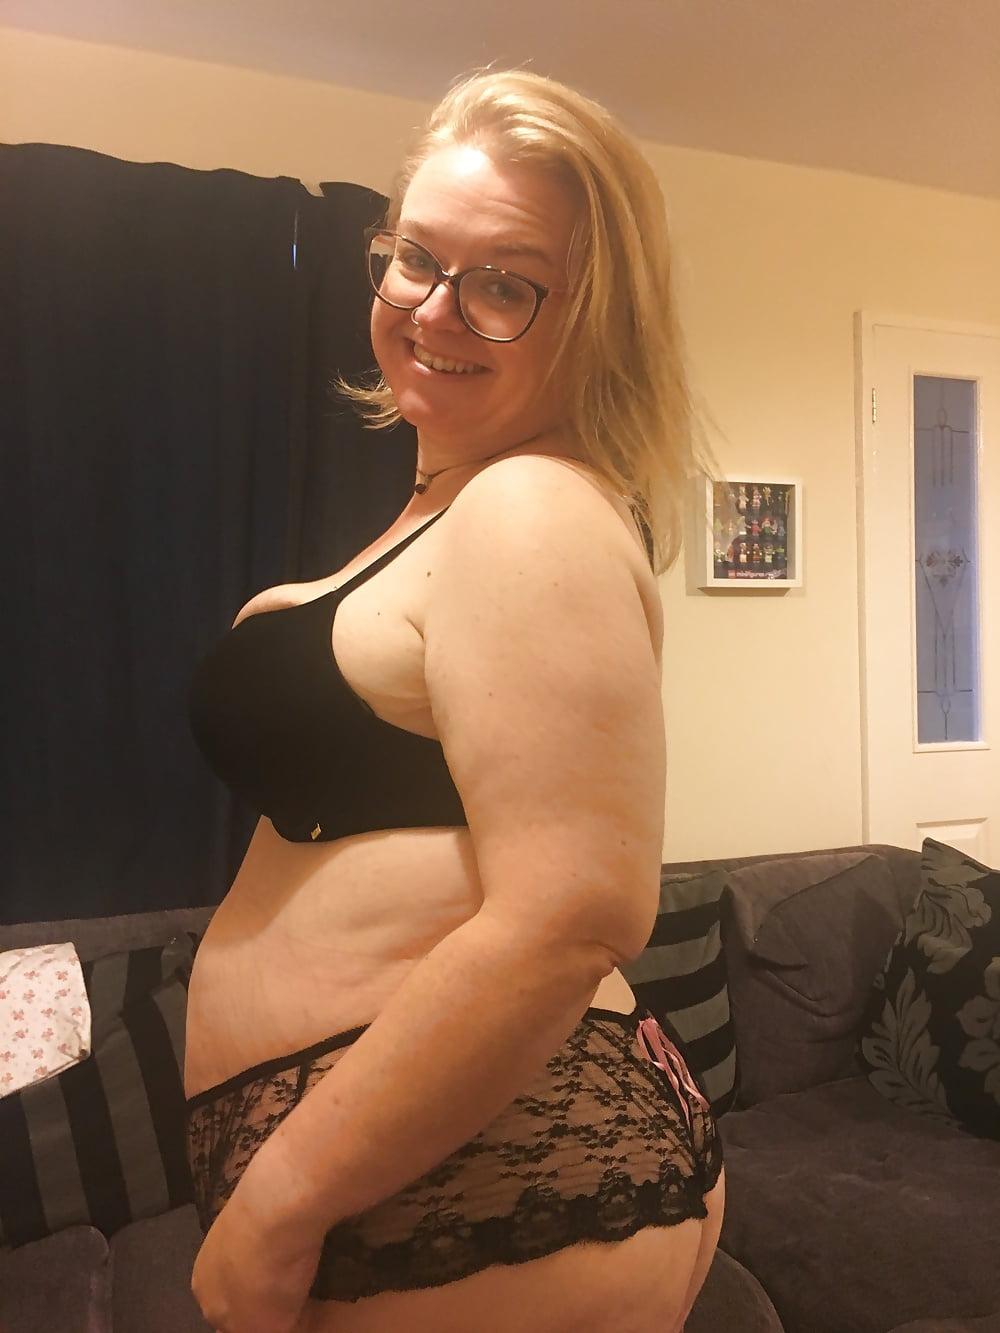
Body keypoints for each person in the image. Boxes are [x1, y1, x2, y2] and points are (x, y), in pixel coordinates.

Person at [184, 66, 725, 1333]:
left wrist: (277, 1205)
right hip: (425, 1158)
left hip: (477, 1177)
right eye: (415, 259)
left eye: (503, 283)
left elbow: (575, 909)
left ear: (598, 322)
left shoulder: (530, 505)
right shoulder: (447, 513)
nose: (435, 308)